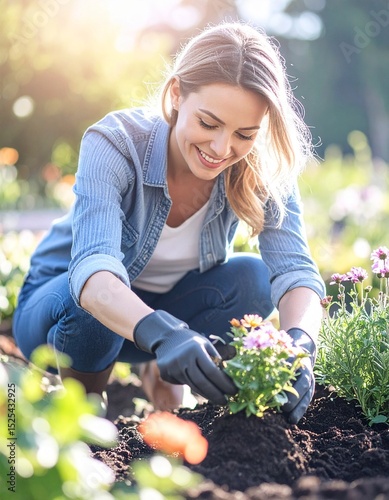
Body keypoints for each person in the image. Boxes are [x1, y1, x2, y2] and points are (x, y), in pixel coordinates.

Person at [13, 21, 325, 424]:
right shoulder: (116, 142)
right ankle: (86, 403)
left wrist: (300, 343)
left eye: (244, 134)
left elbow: (296, 271)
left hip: (165, 317)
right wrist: (165, 335)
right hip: (63, 315)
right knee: (95, 293)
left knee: (254, 276)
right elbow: (93, 275)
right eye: (208, 124)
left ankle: (160, 366)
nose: (221, 148)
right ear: (177, 94)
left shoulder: (261, 164)